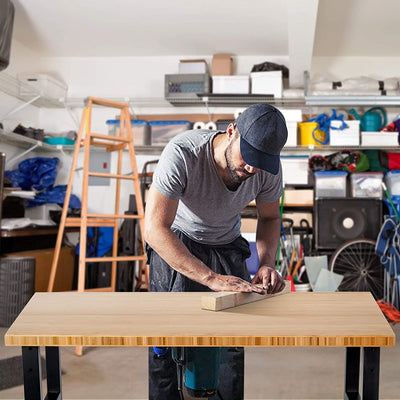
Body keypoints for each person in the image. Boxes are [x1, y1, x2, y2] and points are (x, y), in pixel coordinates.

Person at [144, 103, 288, 399]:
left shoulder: (266, 167)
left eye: (261, 163)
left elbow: (271, 218)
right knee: (166, 341)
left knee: (230, 344)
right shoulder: (183, 152)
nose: (252, 169)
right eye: (248, 158)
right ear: (231, 131)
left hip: (226, 242)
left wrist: (266, 263)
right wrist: (211, 278)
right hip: (176, 241)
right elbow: (155, 229)